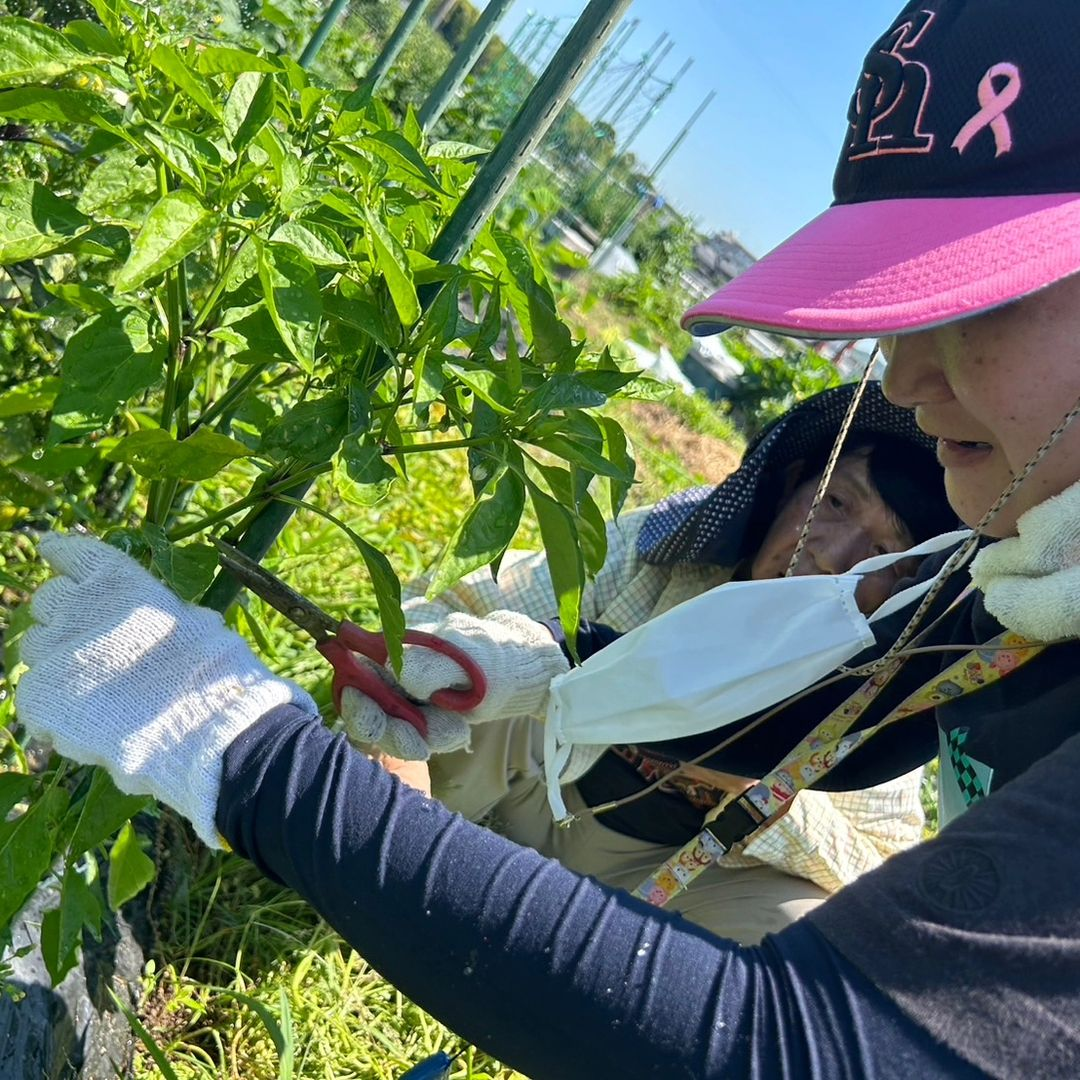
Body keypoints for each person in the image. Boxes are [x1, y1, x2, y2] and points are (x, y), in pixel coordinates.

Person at [14, 1, 1080, 1075]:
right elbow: (508, 614)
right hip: (545, 826)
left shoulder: (938, 660)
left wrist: (245, 757)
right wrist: (512, 668)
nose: (901, 377)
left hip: (656, 889)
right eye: (834, 499)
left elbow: (801, 1044)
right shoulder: (1008, 587)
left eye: (978, 299)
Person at [348, 382, 956, 944]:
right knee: (478, 665)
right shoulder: (666, 551)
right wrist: (490, 681)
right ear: (795, 480)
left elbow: (875, 868)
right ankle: (384, 853)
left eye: (888, 556)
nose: (835, 558)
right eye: (838, 502)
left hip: (659, 883)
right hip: (533, 791)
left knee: (812, 935)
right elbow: (435, 610)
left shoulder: (874, 681)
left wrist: (755, 789)